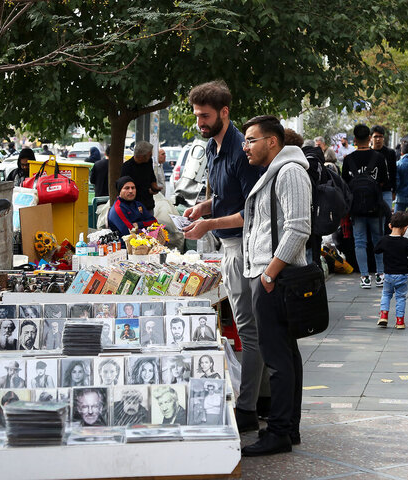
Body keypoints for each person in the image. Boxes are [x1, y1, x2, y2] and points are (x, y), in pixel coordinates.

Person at [182, 81, 265, 433]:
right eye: (197, 116)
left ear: (225, 112)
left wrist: (209, 222)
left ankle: (248, 407)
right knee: (248, 326)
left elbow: (252, 210)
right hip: (229, 245)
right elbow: (225, 195)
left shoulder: (240, 150)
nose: (200, 122)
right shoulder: (212, 147)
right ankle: (256, 400)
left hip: (245, 246)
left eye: (206, 116)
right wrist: (203, 206)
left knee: (249, 328)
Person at [239, 115, 310, 456]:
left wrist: (268, 273)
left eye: (251, 140)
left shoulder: (290, 171)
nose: (246, 147)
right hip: (270, 276)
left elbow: (298, 228)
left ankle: (279, 431)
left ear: (272, 141)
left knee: (278, 358)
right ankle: (288, 428)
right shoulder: (274, 172)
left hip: (277, 279)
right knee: (285, 355)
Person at [342, 124, 388, 289]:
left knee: (360, 241)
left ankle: (364, 277)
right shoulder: (379, 158)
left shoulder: (348, 160)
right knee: (378, 239)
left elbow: (345, 185)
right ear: (369, 138)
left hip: (356, 208)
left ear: (354, 140)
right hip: (375, 206)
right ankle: (380, 274)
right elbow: (383, 181)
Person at [375, 211, 408, 329]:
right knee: (401, 297)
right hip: (402, 275)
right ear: (406, 227)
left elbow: (376, 250)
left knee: (386, 294)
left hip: (388, 274)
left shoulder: (384, 240)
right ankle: (399, 321)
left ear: (390, 226)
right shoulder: (405, 242)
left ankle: (383, 315)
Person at [107, 176, 157, 242]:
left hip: (143, 242)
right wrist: (146, 227)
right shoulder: (118, 208)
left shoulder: (138, 204)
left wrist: (138, 224)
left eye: (133, 188)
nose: (131, 191)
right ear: (120, 191)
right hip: (125, 247)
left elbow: (154, 222)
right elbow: (130, 232)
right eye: (127, 188)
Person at [120, 140, 161, 214]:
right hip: (134, 205)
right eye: (149, 154)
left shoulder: (148, 162)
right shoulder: (127, 168)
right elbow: (125, 189)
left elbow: (151, 176)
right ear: (142, 156)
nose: (151, 155)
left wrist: (154, 186)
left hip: (148, 204)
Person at [371, 125, 397, 213]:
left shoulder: (390, 153)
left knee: (387, 217)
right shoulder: (367, 153)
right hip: (370, 191)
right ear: (370, 138)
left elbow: (393, 172)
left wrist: (394, 190)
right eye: (376, 136)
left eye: (380, 136)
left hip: (386, 191)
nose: (378, 139)